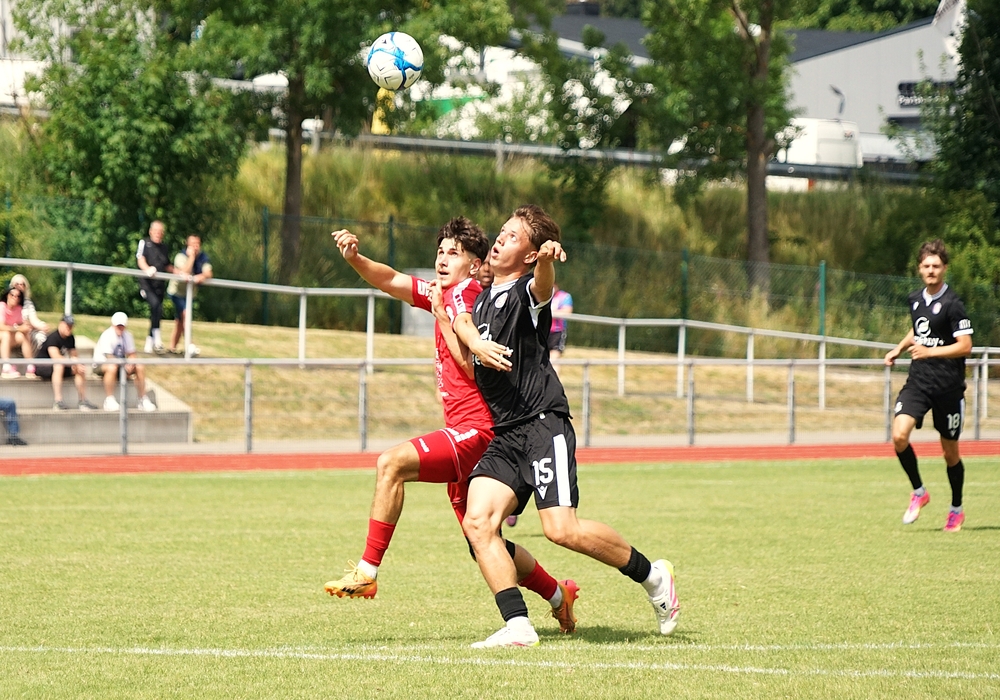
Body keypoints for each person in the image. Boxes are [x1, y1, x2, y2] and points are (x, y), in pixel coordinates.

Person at [324, 219, 580, 635]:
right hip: (464, 429)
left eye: (453, 253)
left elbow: (475, 366)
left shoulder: (471, 296)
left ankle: (368, 571)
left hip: (479, 430)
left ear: (475, 264)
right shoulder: (442, 292)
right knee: (482, 542)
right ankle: (557, 594)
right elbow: (389, 279)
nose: (442, 260)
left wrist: (444, 316)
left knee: (391, 463)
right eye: (440, 252)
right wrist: (355, 258)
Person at [449, 204, 678, 648]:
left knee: (561, 530)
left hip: (541, 425)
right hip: (506, 433)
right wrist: (473, 339)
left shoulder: (526, 291)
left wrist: (548, 260)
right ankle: (518, 625)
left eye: (513, 237)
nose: (500, 238)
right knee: (477, 524)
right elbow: (461, 319)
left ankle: (653, 576)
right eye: (502, 231)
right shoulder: (485, 296)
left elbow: (543, 286)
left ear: (529, 255)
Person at [884, 239, 973, 533]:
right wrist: (899, 348)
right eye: (926, 266)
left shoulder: (953, 304)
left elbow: (965, 346)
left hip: (948, 388)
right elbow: (920, 328)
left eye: (936, 266)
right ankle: (919, 493)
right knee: (899, 436)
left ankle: (956, 509)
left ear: (944, 268)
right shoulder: (915, 299)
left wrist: (930, 351)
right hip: (918, 383)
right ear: (919, 269)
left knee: (950, 453)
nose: (931, 270)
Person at [93, 312, 157, 412]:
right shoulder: (107, 335)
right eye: (118, 325)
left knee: (139, 366)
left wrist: (131, 363)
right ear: (113, 325)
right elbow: (109, 357)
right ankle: (109, 399)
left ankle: (142, 399)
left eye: (122, 326)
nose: (120, 328)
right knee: (112, 367)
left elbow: (132, 354)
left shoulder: (127, 336)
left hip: (120, 365)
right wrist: (124, 364)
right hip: (101, 364)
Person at [37, 315, 99, 411]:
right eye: (67, 325)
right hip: (43, 366)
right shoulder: (53, 338)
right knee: (59, 365)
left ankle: (83, 401)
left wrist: (77, 364)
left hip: (60, 366)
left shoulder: (70, 338)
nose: (69, 328)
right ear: (61, 324)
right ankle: (58, 401)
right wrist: (72, 362)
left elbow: (74, 355)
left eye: (71, 326)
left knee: (80, 369)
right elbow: (56, 357)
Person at [167, 235, 213, 356]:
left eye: (197, 244)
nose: (195, 246)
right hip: (177, 293)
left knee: (180, 321)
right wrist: (192, 257)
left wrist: (201, 277)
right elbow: (184, 272)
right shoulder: (180, 256)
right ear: (187, 245)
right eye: (193, 244)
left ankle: (172, 348)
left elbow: (209, 273)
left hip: (189, 294)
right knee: (185, 315)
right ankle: (190, 345)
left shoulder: (203, 257)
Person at [136, 220, 174, 354]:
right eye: (156, 231)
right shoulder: (144, 243)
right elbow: (140, 259)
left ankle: (149, 341)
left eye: (160, 232)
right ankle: (157, 338)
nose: (158, 234)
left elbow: (167, 265)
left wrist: (180, 273)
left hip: (159, 285)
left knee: (157, 311)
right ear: (150, 231)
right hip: (147, 285)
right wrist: (147, 269)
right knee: (155, 305)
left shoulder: (164, 248)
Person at [8, 274, 49, 353]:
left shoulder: (28, 303)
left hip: (27, 328)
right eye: (17, 284)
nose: (20, 286)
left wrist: (42, 326)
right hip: (12, 329)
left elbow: (34, 320)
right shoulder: (8, 301)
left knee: (40, 336)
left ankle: (38, 358)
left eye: (22, 284)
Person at [1, 286, 35, 378]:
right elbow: (1, 326)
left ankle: (30, 365)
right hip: (3, 336)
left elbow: (21, 324)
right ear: (7, 295)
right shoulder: (2, 306)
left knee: (24, 335)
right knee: (6, 334)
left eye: (18, 296)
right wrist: (18, 329)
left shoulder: (18, 309)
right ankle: (6, 367)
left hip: (10, 338)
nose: (15, 297)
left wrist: (26, 326)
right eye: (12, 295)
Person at [548, 284, 573, 376]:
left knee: (554, 358)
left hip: (557, 331)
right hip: (542, 330)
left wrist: (550, 313)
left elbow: (567, 312)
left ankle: (554, 381)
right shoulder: (541, 294)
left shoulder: (564, 296)